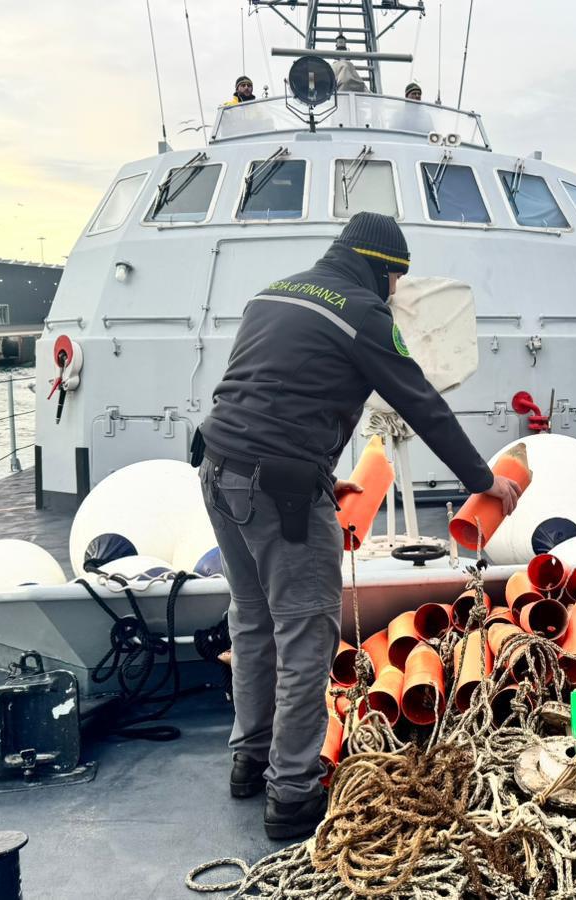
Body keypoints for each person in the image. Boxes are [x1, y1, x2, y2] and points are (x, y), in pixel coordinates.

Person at [198, 212, 522, 840]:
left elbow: (260, 397)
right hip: (282, 494)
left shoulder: (275, 293)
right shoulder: (363, 312)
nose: (396, 294)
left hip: (216, 470)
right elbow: (420, 403)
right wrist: (485, 481)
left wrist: (324, 478)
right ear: (382, 269)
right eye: (395, 281)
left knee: (253, 618)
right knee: (304, 636)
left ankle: (249, 759)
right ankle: (290, 794)